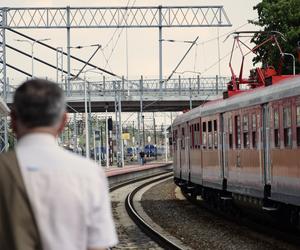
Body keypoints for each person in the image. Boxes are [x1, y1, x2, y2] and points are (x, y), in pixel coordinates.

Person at [0, 79, 118, 250]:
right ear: (63, 122)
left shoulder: (5, 168)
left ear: (12, 120)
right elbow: (97, 246)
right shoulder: (89, 173)